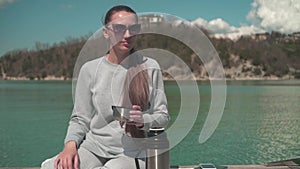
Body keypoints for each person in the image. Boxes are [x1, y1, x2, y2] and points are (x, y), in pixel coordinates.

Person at [41, 5, 169, 169]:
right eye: (119, 28)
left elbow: (163, 117)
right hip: (93, 148)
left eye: (133, 29)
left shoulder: (150, 67)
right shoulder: (89, 69)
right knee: (54, 167)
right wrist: (70, 146)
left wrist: (142, 120)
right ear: (106, 32)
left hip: (132, 153)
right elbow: (80, 119)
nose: (128, 35)